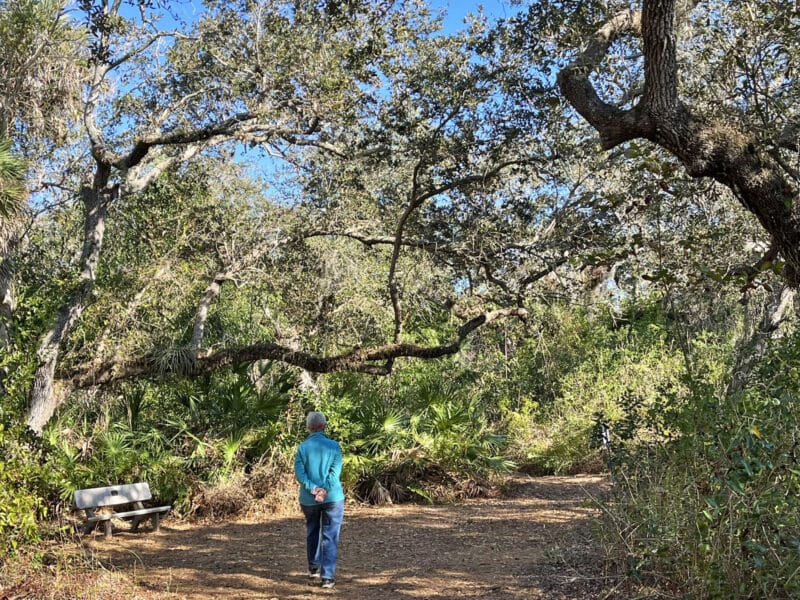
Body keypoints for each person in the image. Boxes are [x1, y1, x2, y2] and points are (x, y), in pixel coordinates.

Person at [294, 411, 345, 589]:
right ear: (324, 426)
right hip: (333, 498)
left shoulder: (302, 448)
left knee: (312, 530)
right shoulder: (334, 446)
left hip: (309, 499)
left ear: (309, 427)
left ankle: (314, 568)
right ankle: (328, 578)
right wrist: (324, 490)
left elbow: (300, 474)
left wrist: (314, 489)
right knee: (330, 536)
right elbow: (334, 472)